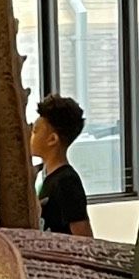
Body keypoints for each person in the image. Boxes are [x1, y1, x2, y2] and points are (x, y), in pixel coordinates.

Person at [31, 94, 92, 237]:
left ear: (52, 139)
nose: (30, 136)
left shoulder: (67, 182)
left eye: (35, 131)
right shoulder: (46, 177)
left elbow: (84, 236)